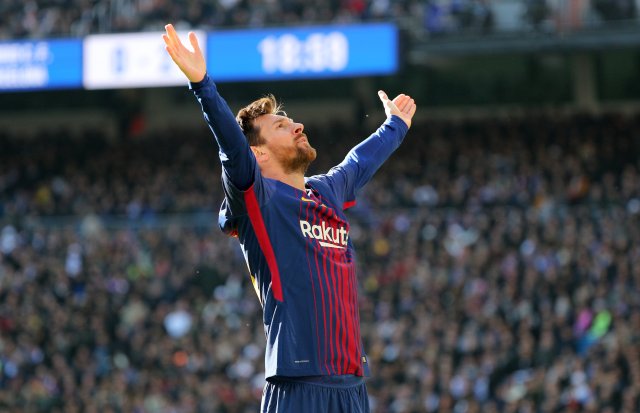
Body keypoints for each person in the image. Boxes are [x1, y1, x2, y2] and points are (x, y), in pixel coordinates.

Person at [162, 24, 416, 413]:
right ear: (259, 154)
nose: (298, 125)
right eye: (281, 126)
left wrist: (395, 126)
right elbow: (232, 147)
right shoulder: (259, 198)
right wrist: (202, 84)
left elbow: (358, 163)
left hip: (352, 388)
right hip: (298, 387)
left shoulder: (325, 191)